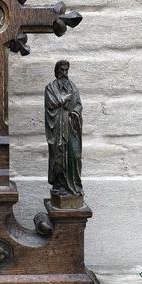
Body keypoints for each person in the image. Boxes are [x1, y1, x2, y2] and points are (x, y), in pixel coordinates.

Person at [44, 60, 83, 196]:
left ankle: (74, 186)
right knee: (58, 156)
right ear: (56, 71)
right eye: (61, 70)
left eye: (66, 70)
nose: (64, 73)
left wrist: (75, 112)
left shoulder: (73, 87)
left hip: (71, 127)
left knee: (75, 155)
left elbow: (78, 104)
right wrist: (63, 100)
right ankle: (59, 185)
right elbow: (52, 103)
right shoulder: (50, 88)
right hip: (57, 128)